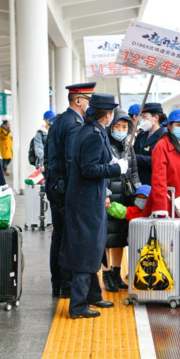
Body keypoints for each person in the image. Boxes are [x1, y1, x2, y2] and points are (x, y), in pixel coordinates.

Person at [61, 93, 126, 319]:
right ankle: (78, 306)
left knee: (94, 248)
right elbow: (89, 169)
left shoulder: (92, 131)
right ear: (107, 114)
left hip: (89, 199)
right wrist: (117, 169)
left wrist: (112, 163)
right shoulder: (93, 135)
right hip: (85, 201)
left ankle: (93, 295)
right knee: (86, 250)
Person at [46, 82, 95, 298]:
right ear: (78, 101)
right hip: (65, 188)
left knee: (59, 234)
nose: (90, 104)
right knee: (67, 236)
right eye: (88, 100)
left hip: (56, 185)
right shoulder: (74, 124)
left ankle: (58, 282)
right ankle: (66, 285)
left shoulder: (61, 120)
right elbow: (71, 161)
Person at [144, 109, 180, 263]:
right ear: (170, 126)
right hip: (168, 205)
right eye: (179, 124)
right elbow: (158, 180)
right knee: (168, 247)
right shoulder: (162, 146)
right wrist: (161, 209)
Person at [101, 107, 140, 293]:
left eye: (125, 126)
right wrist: (105, 194)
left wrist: (138, 191)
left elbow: (133, 171)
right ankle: (106, 274)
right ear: (111, 126)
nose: (122, 130)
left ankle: (116, 273)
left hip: (124, 198)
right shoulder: (104, 144)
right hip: (108, 198)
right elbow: (100, 173)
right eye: (118, 126)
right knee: (106, 238)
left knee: (119, 238)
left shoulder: (128, 145)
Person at [134, 103, 167, 186]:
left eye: (144, 117)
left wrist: (134, 158)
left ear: (156, 118)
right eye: (141, 117)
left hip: (153, 181)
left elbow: (157, 160)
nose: (142, 120)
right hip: (138, 181)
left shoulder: (164, 137)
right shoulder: (141, 135)